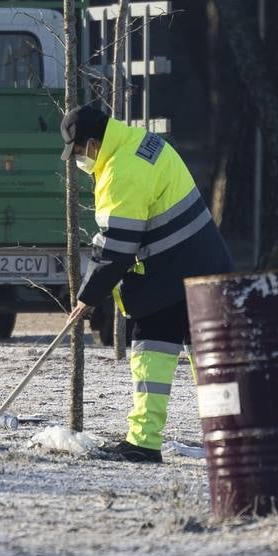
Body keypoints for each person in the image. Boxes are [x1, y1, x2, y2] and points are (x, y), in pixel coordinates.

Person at [61, 105, 233, 462]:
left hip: (169, 277)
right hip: (202, 266)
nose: (79, 160)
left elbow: (117, 246)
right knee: (210, 359)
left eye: (78, 152)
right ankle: (229, 440)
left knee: (151, 357)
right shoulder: (140, 142)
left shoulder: (121, 171)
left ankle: (143, 443)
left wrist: (87, 297)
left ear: (92, 144)